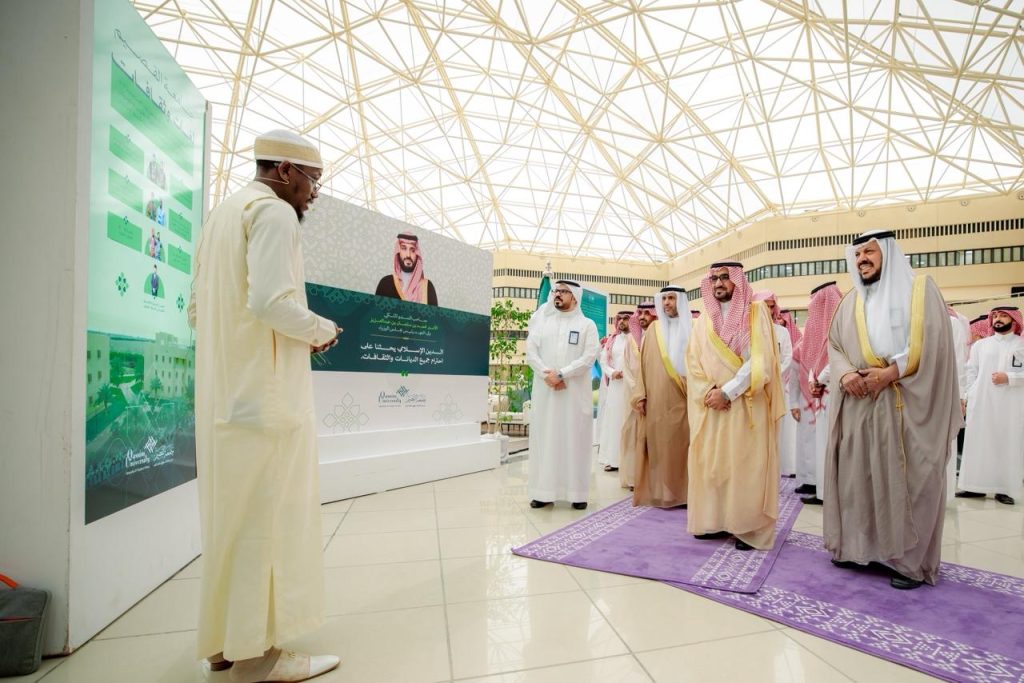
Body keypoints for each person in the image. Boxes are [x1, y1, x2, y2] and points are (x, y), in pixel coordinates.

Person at [189, 129, 341, 681]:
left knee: (231, 524)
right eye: (311, 180)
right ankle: (260, 660)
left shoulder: (222, 216)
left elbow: (197, 307)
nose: (313, 193)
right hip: (266, 400)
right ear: (283, 172)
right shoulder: (272, 214)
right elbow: (272, 301)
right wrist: (323, 330)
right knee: (267, 524)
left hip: (226, 400)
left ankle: (223, 645)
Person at [823, 230, 961, 589]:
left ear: (887, 252)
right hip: (858, 403)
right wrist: (846, 374)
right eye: (857, 255)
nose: (862, 260)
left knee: (910, 480)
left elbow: (933, 344)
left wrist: (890, 372)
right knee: (858, 479)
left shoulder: (920, 291)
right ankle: (858, 548)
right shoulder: (850, 300)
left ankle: (907, 562)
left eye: (869, 252)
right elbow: (834, 345)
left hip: (903, 402)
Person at [686, 262, 784, 550]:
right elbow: (692, 362)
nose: (719, 283)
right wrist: (709, 391)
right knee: (714, 466)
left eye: (725, 278)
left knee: (745, 466)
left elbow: (761, 360)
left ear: (738, 282)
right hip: (711, 406)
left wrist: (728, 392)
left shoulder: (756, 314)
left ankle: (746, 528)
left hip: (745, 405)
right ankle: (714, 521)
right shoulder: (703, 320)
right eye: (714, 278)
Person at [526, 280, 600, 510]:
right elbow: (531, 351)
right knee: (545, 439)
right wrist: (547, 374)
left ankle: (577, 494)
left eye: (563, 292)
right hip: (546, 392)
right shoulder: (543, 323)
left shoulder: (587, 325)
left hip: (574, 396)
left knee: (574, 440)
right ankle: (543, 492)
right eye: (556, 291)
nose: (557, 295)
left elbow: (589, 357)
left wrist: (562, 374)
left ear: (575, 297)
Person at [956, 307, 1024, 505]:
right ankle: (973, 486)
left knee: (1006, 444)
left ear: (1014, 320)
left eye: (1003, 316)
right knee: (978, 443)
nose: (998, 319)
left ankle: (1004, 489)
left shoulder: (1021, 346)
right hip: (982, 402)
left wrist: (1009, 377)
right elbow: (971, 371)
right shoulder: (981, 345)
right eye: (995, 316)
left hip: (1010, 405)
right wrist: (969, 395)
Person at [632, 286, 692, 508]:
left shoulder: (694, 328)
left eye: (671, 298)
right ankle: (662, 493)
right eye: (664, 298)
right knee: (659, 447)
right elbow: (642, 367)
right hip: (657, 398)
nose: (667, 303)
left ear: (681, 301)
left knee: (683, 447)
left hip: (685, 397)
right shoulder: (653, 330)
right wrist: (640, 394)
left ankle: (685, 494)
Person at [794, 281, 843, 506]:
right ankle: (821, 489)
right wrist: (815, 380)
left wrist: (818, 379)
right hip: (820, 392)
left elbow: (836, 357)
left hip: (834, 393)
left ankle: (829, 492)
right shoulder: (820, 332)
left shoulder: (839, 329)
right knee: (820, 443)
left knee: (829, 445)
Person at [753, 291, 795, 479]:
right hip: (754, 390)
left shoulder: (782, 332)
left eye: (771, 306)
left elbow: (787, 357)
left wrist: (772, 377)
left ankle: (773, 473)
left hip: (776, 388)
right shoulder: (748, 330)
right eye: (765, 305)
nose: (768, 310)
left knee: (776, 432)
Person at [620, 302, 656, 490]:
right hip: (635, 396)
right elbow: (627, 369)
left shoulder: (659, 337)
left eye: (647, 313)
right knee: (634, 435)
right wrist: (638, 393)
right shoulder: (631, 340)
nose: (642, 317)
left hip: (657, 394)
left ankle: (652, 479)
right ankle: (634, 478)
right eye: (639, 313)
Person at [597, 311, 634, 472]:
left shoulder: (637, 339)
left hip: (632, 386)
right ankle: (611, 459)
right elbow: (603, 361)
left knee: (628, 422)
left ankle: (628, 461)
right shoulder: (612, 341)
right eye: (620, 319)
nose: (622, 322)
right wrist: (612, 373)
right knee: (613, 421)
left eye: (626, 319)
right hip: (615, 387)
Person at [375, 233, 438, 305]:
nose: (408, 255)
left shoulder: (427, 287)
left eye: (412, 250)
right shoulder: (385, 283)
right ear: (398, 252)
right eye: (404, 248)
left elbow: (434, 315)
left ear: (417, 255)